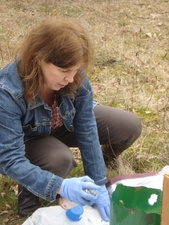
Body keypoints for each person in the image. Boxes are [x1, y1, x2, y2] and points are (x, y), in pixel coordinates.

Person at [0, 18, 142, 222]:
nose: (71, 78)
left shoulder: (74, 76)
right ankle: (29, 199)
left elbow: (86, 126)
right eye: (64, 71)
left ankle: (107, 159)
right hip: (28, 138)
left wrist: (99, 182)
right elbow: (10, 158)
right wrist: (61, 186)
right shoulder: (8, 92)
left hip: (62, 124)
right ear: (39, 58)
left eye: (75, 70)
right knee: (60, 159)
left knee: (129, 126)